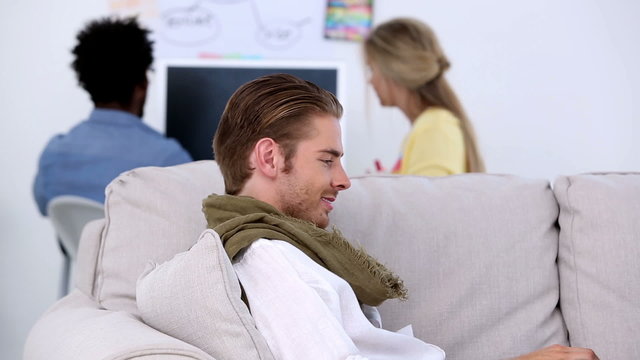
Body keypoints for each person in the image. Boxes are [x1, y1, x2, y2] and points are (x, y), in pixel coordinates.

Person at [203, 74, 598, 360]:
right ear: (270, 157)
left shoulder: (285, 249)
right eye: (327, 160)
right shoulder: (269, 260)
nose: (343, 181)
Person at [33, 16, 192, 216]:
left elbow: (47, 210)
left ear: (86, 83)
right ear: (142, 86)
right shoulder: (170, 160)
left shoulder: (54, 153)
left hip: (78, 249)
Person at [364, 17, 484, 176]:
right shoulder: (430, 125)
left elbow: (426, 200)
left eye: (372, 69)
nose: (370, 80)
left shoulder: (435, 128)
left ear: (395, 69)